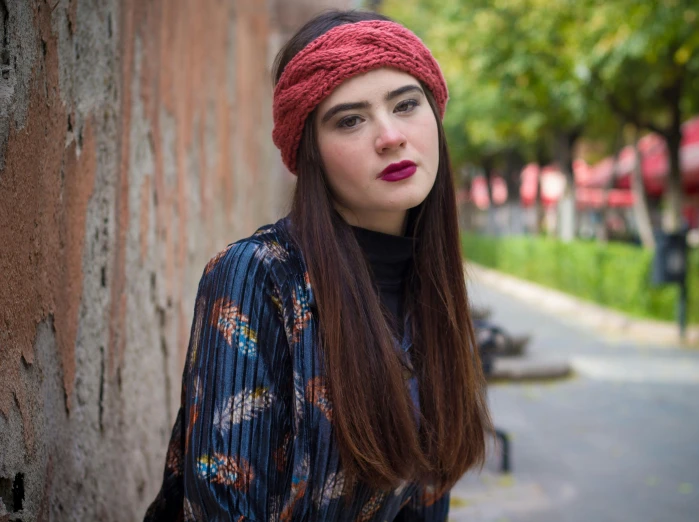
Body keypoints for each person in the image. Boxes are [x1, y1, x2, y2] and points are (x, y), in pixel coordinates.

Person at [144, 9, 491, 521]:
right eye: (350, 119)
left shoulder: (430, 285)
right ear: (311, 153)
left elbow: (424, 500)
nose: (390, 135)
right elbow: (222, 508)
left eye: (406, 104)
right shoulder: (258, 277)